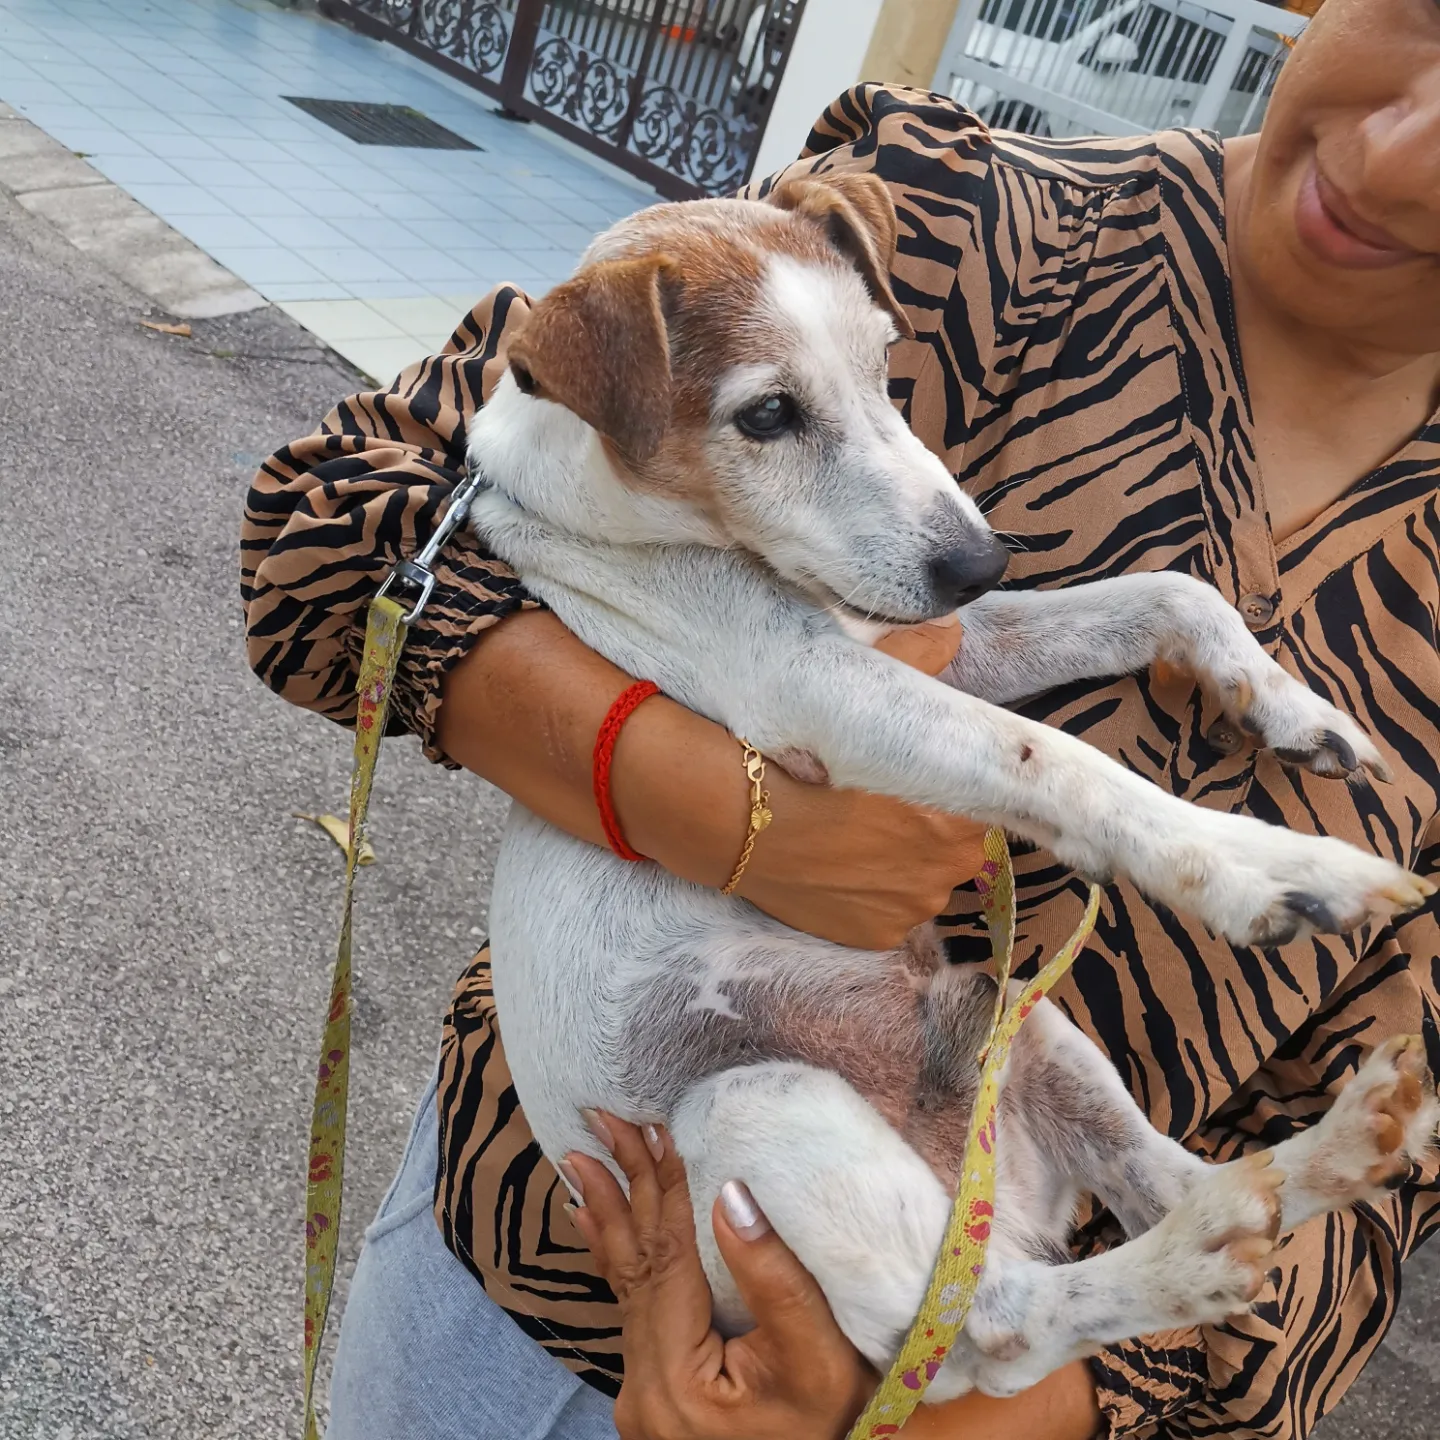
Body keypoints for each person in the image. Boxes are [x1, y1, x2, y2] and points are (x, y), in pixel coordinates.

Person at [241, 0, 1440, 1435]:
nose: (1395, 157)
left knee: (1009, 1032)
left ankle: (1087, 1263)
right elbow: (328, 531)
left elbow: (1406, 1144)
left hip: (967, 1365)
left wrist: (1024, 1414)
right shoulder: (942, 206)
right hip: (532, 1292)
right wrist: (692, 794)